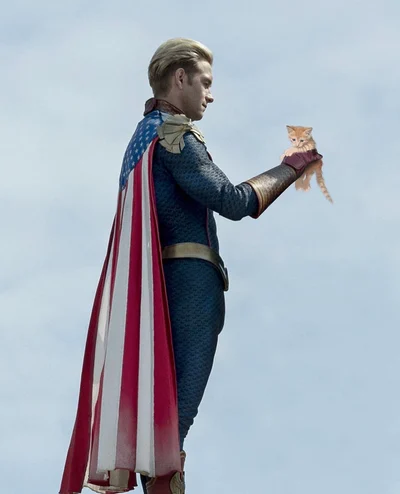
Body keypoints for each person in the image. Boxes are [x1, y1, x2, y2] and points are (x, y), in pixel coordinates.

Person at [59, 38, 322, 494]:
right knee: (171, 426)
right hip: (190, 286)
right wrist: (292, 166)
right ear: (180, 78)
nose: (210, 95)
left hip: (162, 287)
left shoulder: (142, 139)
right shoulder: (173, 135)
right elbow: (234, 201)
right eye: (205, 82)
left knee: (163, 424)